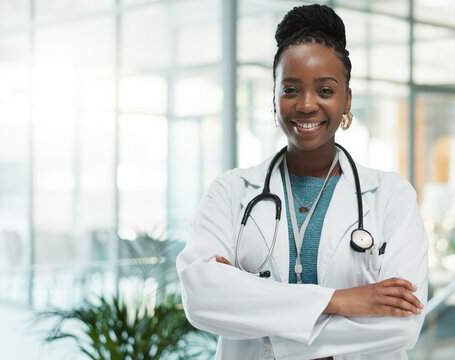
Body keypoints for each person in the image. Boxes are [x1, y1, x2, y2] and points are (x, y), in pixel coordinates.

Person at [176, 4, 428, 359]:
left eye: (325, 90)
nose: (307, 105)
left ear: (347, 100)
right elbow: (202, 299)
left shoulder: (390, 196)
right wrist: (342, 300)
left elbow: (403, 324)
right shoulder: (230, 192)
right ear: (274, 98)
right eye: (291, 89)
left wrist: (259, 318)